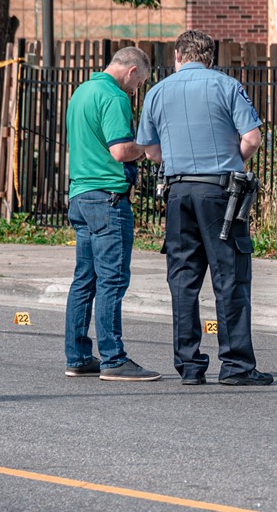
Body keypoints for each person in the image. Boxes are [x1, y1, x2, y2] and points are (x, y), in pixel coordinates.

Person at [136, 30, 273, 387]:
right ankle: (236, 366)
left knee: (183, 279)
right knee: (230, 277)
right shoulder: (226, 86)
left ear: (178, 57)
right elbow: (253, 138)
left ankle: (190, 365)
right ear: (210, 58)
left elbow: (150, 150)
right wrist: (231, 161)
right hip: (219, 192)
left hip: (178, 191)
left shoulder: (156, 91)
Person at [63, 46, 161, 381]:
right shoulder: (114, 97)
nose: (136, 91)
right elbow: (120, 150)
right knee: (112, 280)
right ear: (132, 71)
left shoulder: (81, 92)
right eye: (139, 84)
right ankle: (113, 358)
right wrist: (147, 147)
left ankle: (77, 356)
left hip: (80, 196)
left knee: (84, 280)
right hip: (108, 198)